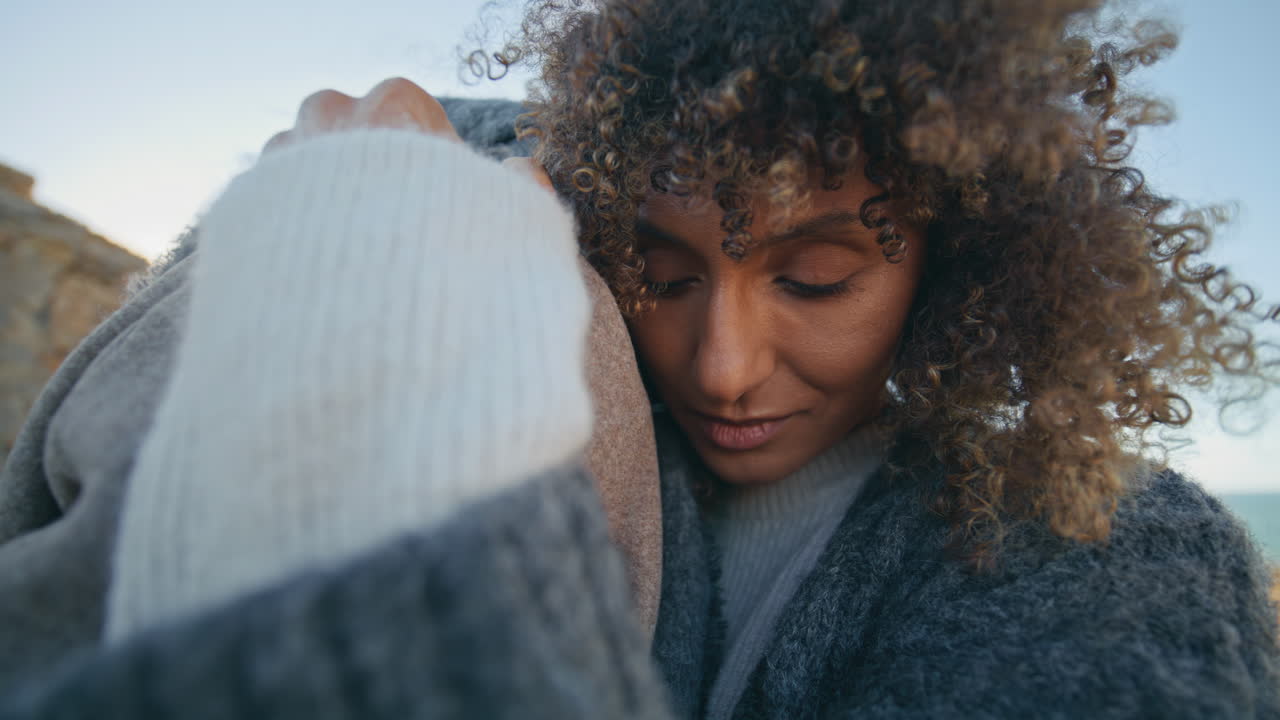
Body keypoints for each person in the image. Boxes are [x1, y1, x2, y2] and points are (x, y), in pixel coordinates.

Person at [1, 0, 1278, 718]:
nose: (722, 366)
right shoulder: (543, 342)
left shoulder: (1097, 551)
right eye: (658, 276)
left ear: (959, 266)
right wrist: (366, 262)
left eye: (816, 277)